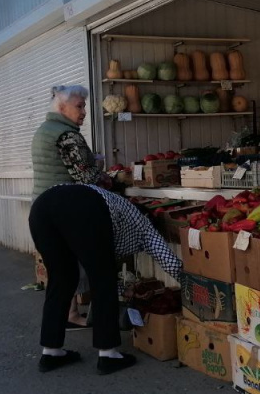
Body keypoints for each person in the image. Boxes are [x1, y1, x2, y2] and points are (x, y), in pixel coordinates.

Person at [29, 183, 183, 375]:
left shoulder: (120, 212)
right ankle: (108, 354)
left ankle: (51, 352)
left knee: (61, 279)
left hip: (41, 207)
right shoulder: (144, 225)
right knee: (103, 280)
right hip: (83, 206)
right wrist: (188, 284)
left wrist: (121, 289)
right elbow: (170, 262)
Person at [31, 85, 113, 327]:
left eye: (84, 106)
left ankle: (68, 315)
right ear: (62, 107)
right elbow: (85, 177)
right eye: (79, 106)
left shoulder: (45, 130)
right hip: (64, 208)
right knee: (78, 264)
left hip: (42, 206)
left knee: (60, 265)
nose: (84, 111)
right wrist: (104, 174)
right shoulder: (66, 135)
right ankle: (85, 321)